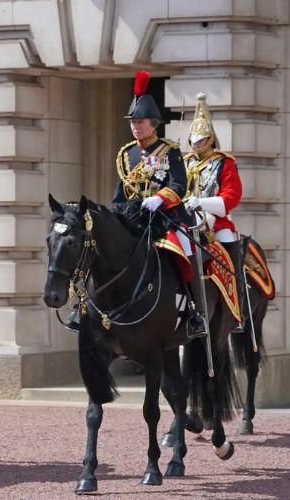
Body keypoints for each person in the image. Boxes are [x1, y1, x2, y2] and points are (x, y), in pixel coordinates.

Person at [65, 71, 206, 338]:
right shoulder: (127, 153)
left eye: (140, 122)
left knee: (184, 250)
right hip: (133, 217)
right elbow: (120, 193)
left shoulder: (170, 151)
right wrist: (115, 214)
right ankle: (83, 306)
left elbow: (179, 186)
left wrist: (160, 198)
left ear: (154, 124)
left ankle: (194, 311)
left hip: (164, 217)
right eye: (133, 122)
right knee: (97, 246)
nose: (135, 127)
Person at [183, 92, 244, 332]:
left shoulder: (224, 162)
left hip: (215, 223)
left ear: (210, 139)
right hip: (186, 220)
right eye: (194, 139)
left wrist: (202, 202)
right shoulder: (186, 162)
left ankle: (236, 308)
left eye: (201, 140)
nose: (196, 144)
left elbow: (231, 198)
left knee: (228, 248)